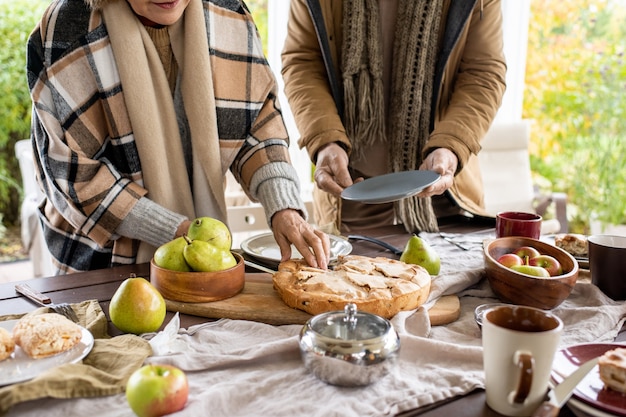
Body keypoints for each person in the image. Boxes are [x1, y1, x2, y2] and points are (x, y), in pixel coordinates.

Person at [26, 0, 330, 274]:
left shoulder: (228, 13)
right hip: (102, 266)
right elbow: (73, 176)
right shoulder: (65, 29)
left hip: (202, 268)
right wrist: (181, 233)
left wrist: (283, 207)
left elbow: (257, 124)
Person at [281, 0, 507, 235]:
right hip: (352, 190)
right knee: (349, 270)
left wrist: (451, 145)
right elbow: (302, 63)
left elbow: (483, 74)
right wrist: (325, 139)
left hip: (444, 194)